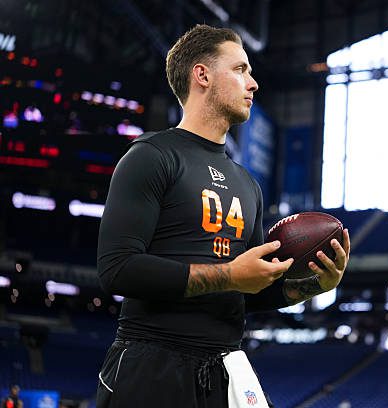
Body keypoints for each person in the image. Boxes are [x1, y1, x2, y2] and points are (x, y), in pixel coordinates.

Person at [96, 24, 350, 408]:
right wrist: (229, 274)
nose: (253, 83)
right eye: (240, 69)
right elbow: (117, 268)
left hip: (226, 370)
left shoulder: (248, 185)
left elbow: (246, 291)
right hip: (150, 364)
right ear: (202, 75)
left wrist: (311, 286)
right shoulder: (151, 156)